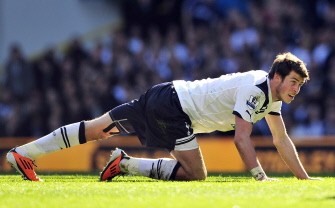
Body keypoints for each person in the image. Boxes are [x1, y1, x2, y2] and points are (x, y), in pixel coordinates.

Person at [7, 52, 317, 182]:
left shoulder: (271, 96)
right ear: (277, 76)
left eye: (300, 86)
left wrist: (303, 179)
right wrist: (261, 179)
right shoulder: (256, 89)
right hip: (175, 108)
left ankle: (22, 154)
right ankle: (127, 164)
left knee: (96, 129)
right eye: (293, 82)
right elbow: (240, 138)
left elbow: (281, 138)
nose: (296, 90)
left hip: (167, 95)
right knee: (197, 175)